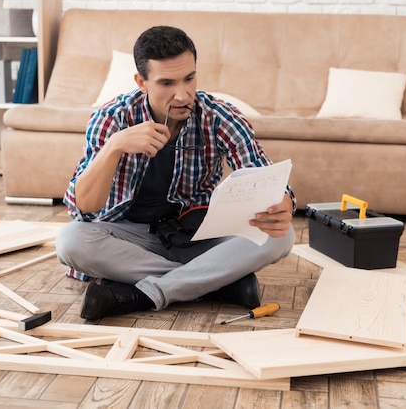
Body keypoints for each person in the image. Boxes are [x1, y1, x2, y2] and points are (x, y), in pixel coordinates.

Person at [56, 25, 296, 320]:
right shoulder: (112, 118)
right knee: (70, 241)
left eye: (189, 79)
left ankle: (145, 292)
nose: (182, 95)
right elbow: (84, 210)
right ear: (142, 82)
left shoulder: (219, 116)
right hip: (131, 238)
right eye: (167, 83)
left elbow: (262, 175)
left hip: (196, 235)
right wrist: (114, 147)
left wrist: (281, 204)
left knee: (282, 237)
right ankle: (215, 282)